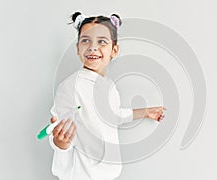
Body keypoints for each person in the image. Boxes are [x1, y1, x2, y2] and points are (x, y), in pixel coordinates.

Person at [49, 12, 166, 180]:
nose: (92, 47)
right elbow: (57, 131)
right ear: (77, 48)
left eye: (101, 41)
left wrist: (145, 112)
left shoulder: (109, 85)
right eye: (85, 40)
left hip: (107, 175)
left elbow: (114, 115)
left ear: (114, 50)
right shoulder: (70, 87)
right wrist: (61, 143)